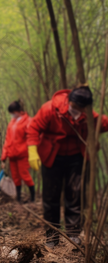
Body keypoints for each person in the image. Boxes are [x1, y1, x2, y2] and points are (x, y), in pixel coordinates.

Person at [27, 86, 108, 248]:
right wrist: (32, 150)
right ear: (70, 102)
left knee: (75, 195)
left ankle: (73, 235)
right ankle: (52, 235)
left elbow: (104, 123)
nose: (78, 111)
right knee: (51, 198)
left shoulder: (88, 115)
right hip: (51, 157)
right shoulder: (50, 108)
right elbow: (33, 127)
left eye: (82, 109)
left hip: (76, 158)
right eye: (76, 107)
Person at [1, 101, 35, 202]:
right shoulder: (11, 122)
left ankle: (32, 198)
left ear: (18, 111)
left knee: (25, 175)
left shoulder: (28, 121)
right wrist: (4, 157)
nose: (12, 115)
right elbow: (7, 140)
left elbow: (31, 137)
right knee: (15, 177)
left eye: (13, 112)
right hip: (12, 155)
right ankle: (19, 198)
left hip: (23, 154)